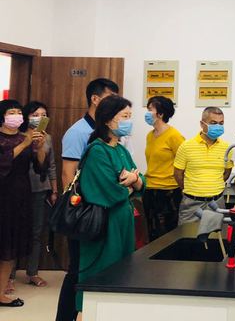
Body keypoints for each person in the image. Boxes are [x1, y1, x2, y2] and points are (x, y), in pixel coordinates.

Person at [56, 77, 120, 321]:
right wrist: (77, 215)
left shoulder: (108, 132)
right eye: (111, 98)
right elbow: (68, 176)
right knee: (77, 270)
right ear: (95, 99)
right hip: (84, 212)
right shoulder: (78, 132)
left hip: (105, 209)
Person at [75, 95, 144, 315]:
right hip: (104, 222)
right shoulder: (97, 150)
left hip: (123, 220)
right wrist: (131, 185)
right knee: (101, 275)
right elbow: (110, 191)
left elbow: (141, 181)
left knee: (122, 274)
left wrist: (135, 180)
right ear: (107, 120)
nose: (128, 122)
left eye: (130, 116)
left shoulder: (120, 149)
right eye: (124, 116)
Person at [0, 99, 47, 308]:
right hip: (2, 195)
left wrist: (39, 147)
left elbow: (39, 167)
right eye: (12, 112)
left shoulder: (24, 137)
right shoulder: (12, 140)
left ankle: (1, 293)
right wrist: (25, 144)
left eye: (19, 112)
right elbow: (3, 162)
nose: (17, 115)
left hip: (20, 197)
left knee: (10, 247)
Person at [7, 102, 57, 291]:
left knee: (37, 232)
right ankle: (9, 276)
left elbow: (50, 165)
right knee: (13, 232)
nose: (39, 118)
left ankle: (32, 272)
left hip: (39, 189)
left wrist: (54, 190)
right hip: (16, 190)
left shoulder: (47, 138)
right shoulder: (17, 136)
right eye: (35, 114)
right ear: (26, 117)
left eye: (43, 115)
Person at [174, 107, 233, 224]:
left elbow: (227, 172)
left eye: (221, 123)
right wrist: (193, 189)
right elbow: (178, 174)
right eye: (213, 123)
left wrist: (212, 186)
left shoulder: (227, 148)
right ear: (202, 124)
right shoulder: (186, 146)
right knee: (188, 234)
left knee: (216, 235)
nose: (218, 126)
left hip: (217, 203)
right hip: (192, 203)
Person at [143, 96, 184, 242]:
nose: (147, 113)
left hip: (169, 192)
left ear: (160, 114)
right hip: (149, 190)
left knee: (167, 235)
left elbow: (184, 164)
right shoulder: (150, 135)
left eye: (150, 110)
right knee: (152, 233)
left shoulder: (174, 136)